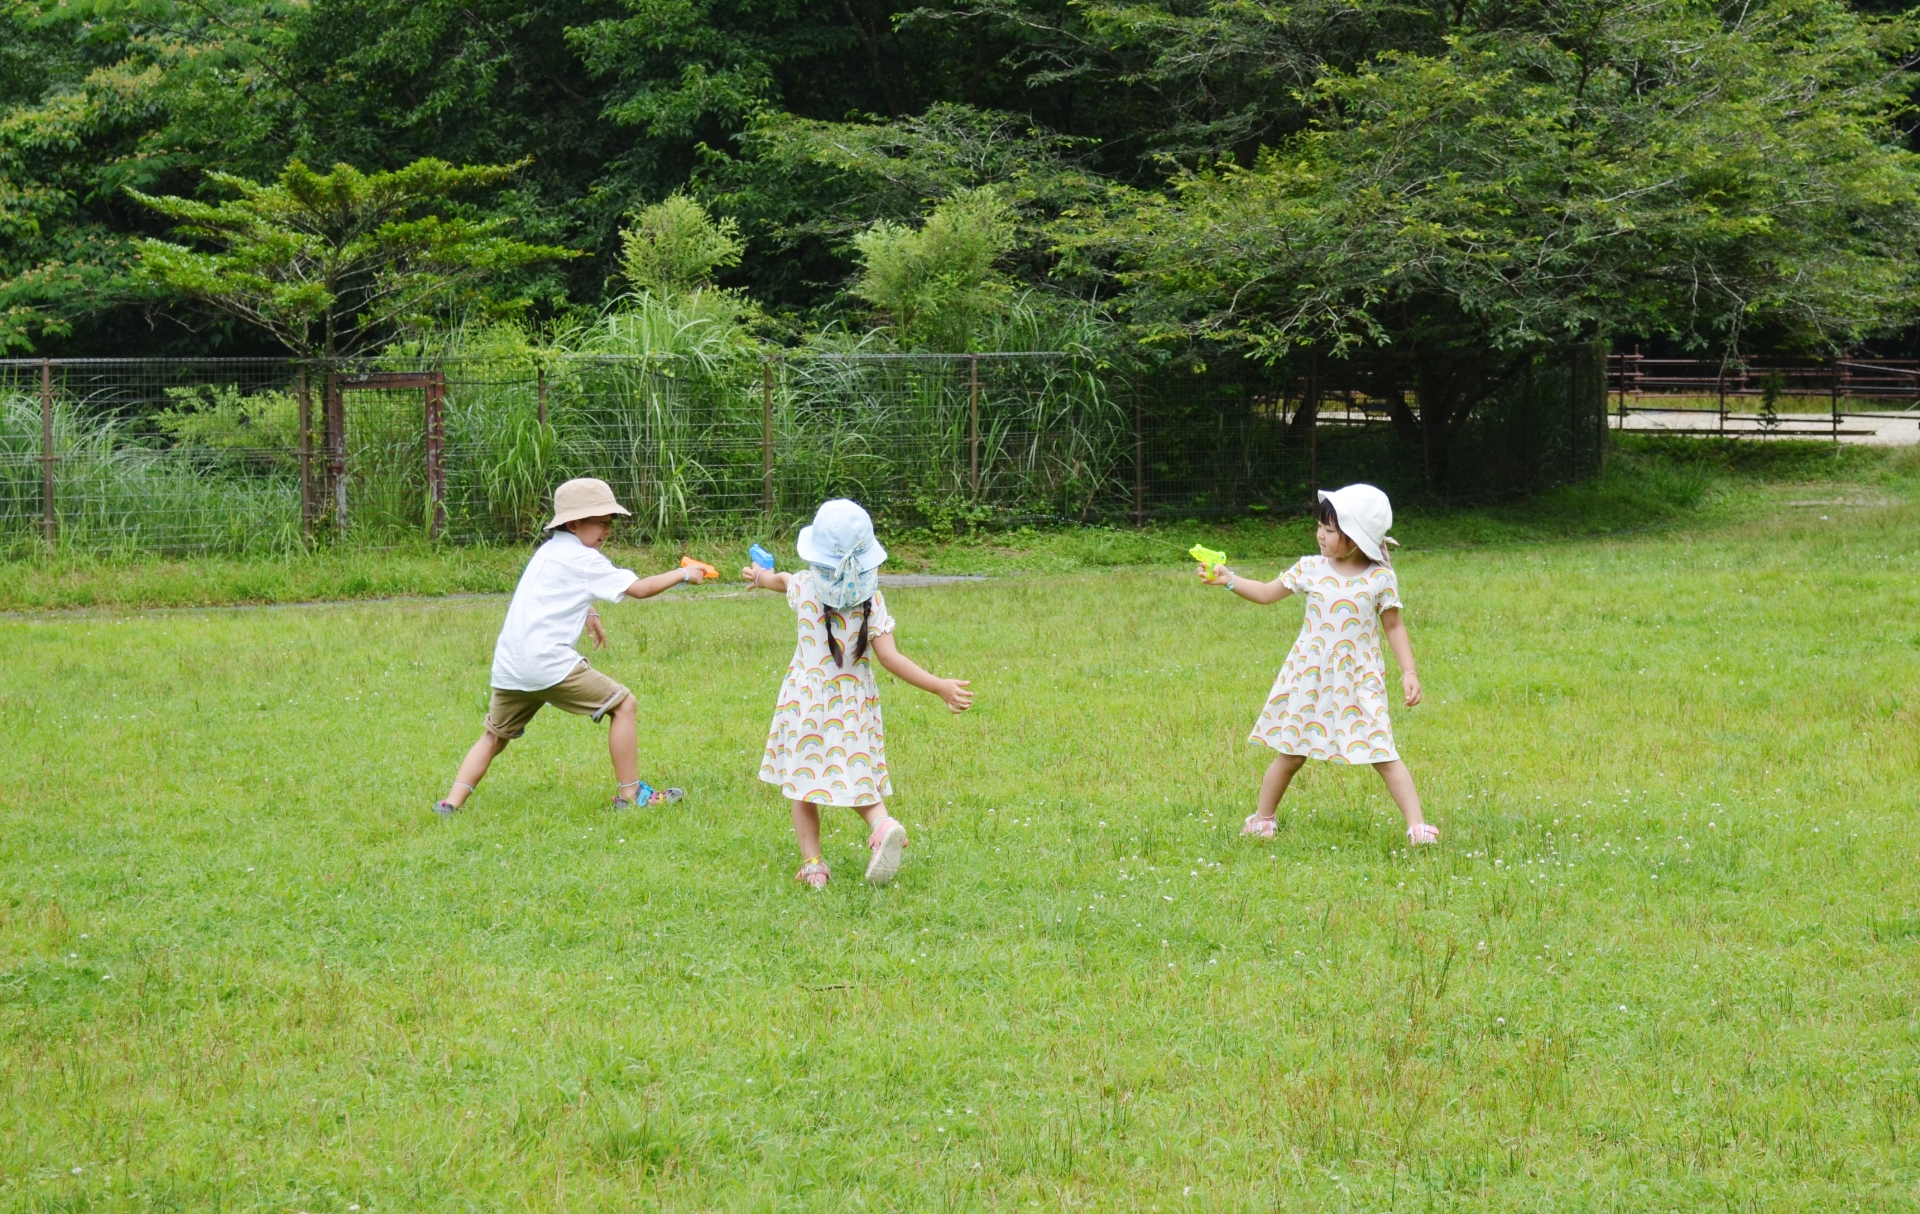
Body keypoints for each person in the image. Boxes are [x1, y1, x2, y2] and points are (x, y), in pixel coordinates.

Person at [435, 477, 707, 816]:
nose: (608, 531)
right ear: (575, 523)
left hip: (510, 666)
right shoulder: (585, 559)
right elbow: (638, 588)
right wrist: (683, 574)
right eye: (602, 523)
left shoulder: (548, 551)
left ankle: (450, 804)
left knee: (494, 736)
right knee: (624, 705)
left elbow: (555, 592)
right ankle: (631, 795)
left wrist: (589, 610)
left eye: (610, 524)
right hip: (548, 664)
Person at [742, 499, 973, 888]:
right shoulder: (872, 602)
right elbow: (892, 659)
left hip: (805, 704)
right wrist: (939, 686)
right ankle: (882, 824)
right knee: (856, 772)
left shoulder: (803, 585)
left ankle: (813, 864)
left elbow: (781, 580)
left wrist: (759, 575)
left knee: (802, 784)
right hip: (852, 710)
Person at [1200, 484, 1439, 845]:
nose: (1320, 535)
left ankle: (1417, 827)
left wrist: (1410, 672)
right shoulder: (1310, 568)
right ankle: (1263, 819)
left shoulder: (1379, 579)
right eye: (1320, 527)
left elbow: (1393, 625)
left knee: (1382, 751)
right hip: (1310, 677)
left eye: (1330, 530)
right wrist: (1229, 580)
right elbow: (1266, 593)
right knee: (1292, 753)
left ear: (1356, 537)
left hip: (1359, 681)